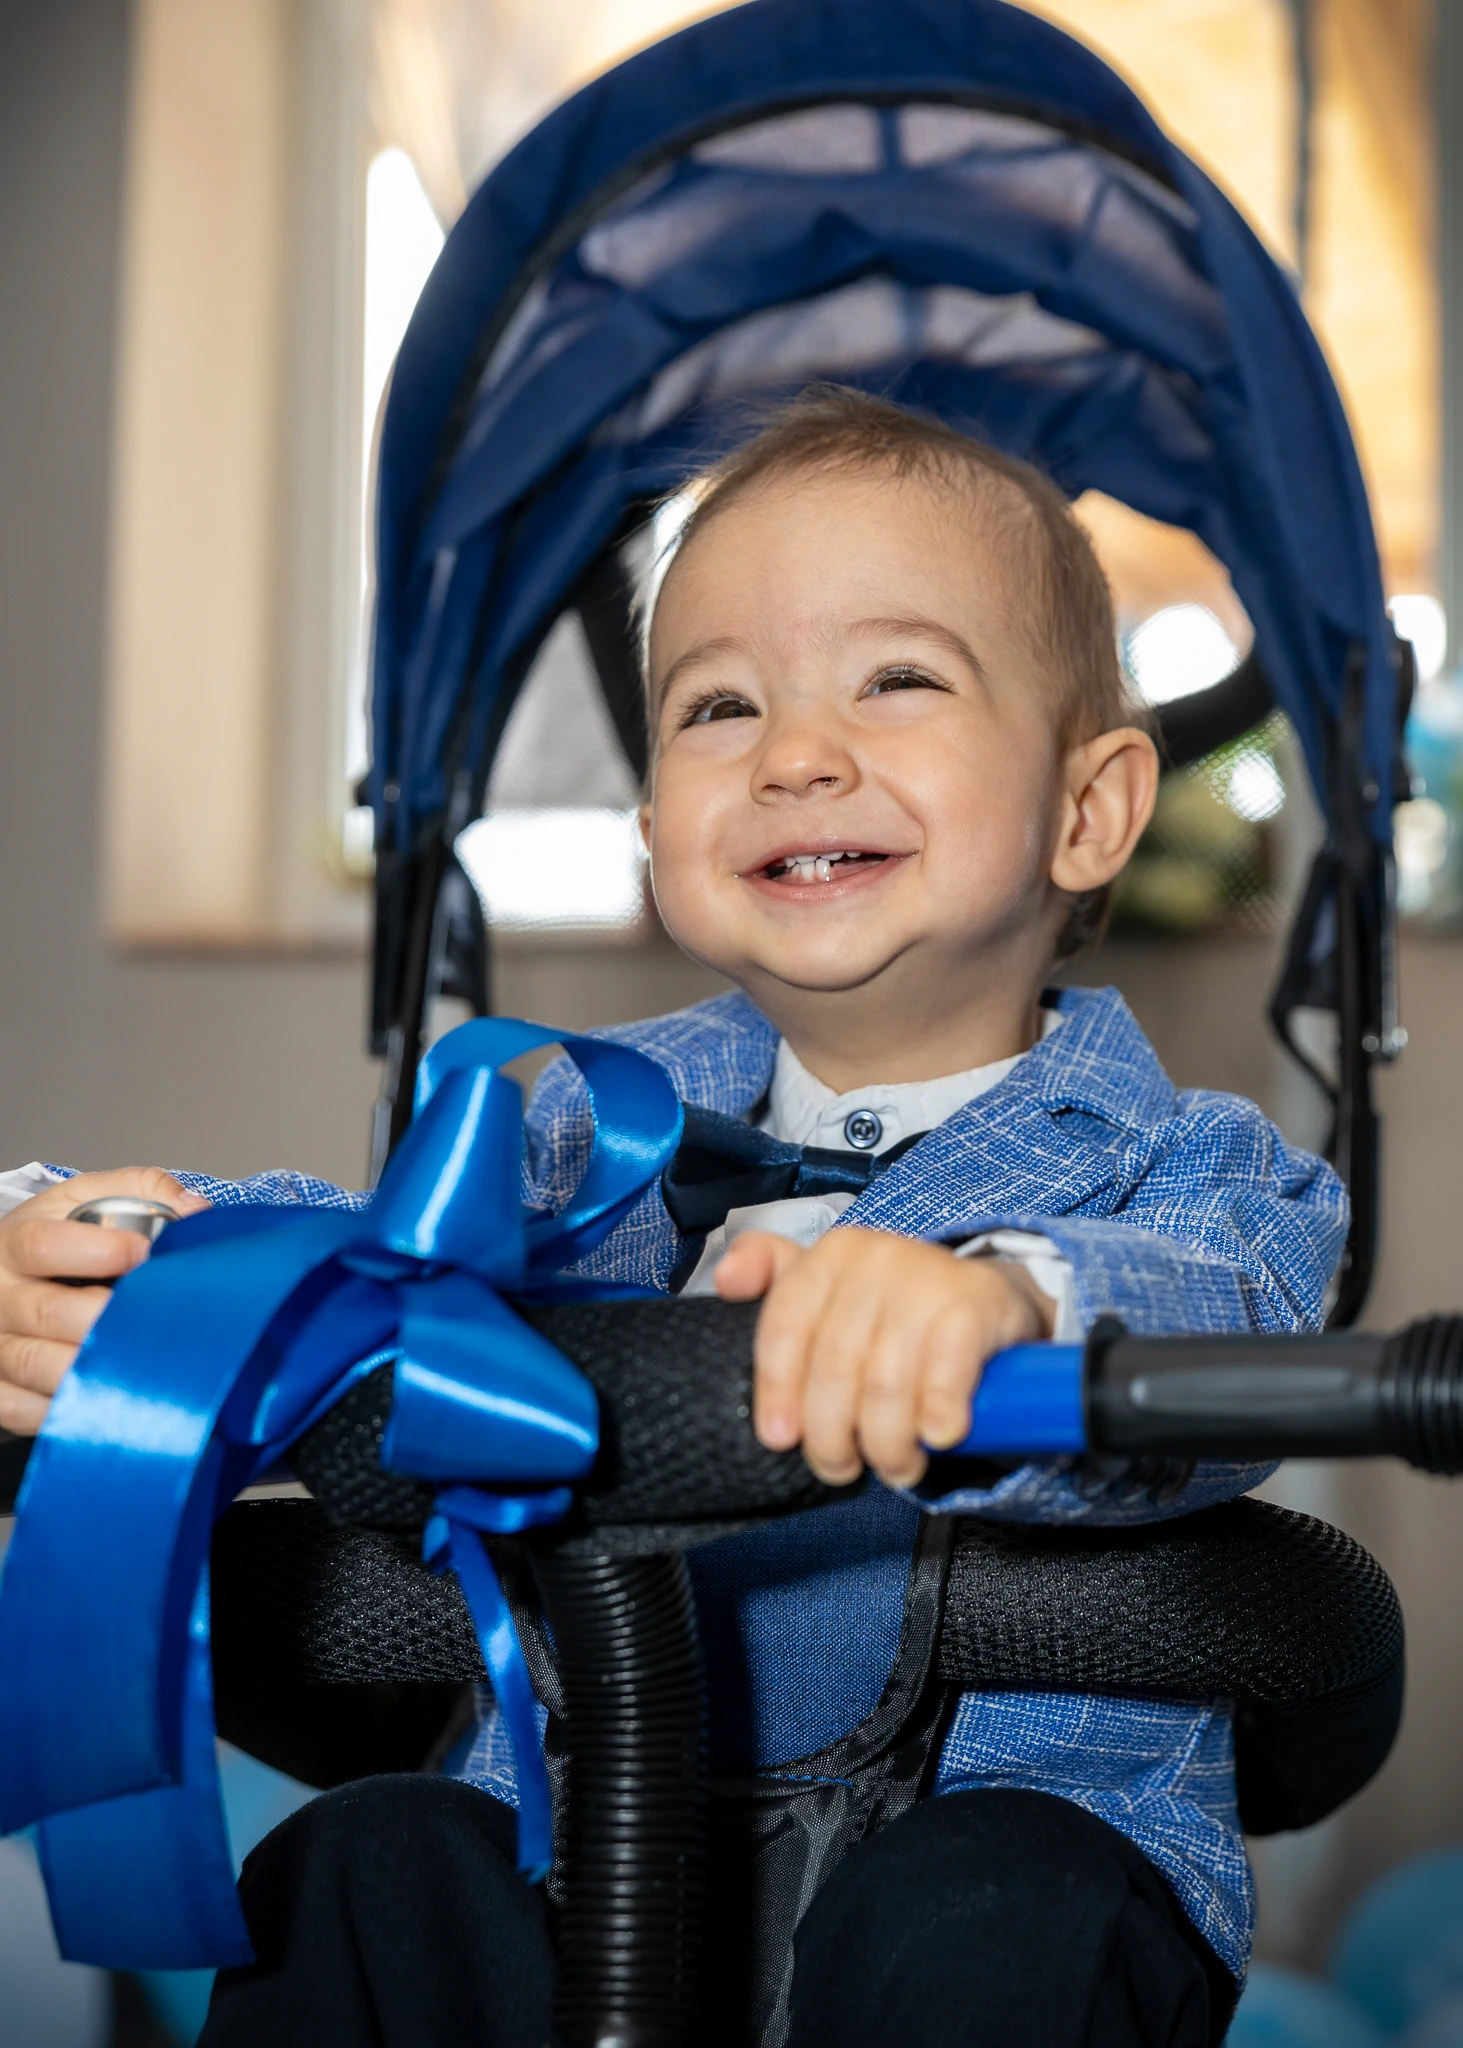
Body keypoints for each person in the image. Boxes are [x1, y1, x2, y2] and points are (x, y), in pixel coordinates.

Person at [0, 389, 1346, 2048]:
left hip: (997, 1845)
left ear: (1088, 809)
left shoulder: (1194, 1165)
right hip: (570, 1837)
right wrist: (110, 1245)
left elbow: (1227, 1304)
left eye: (897, 679)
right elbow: (372, 1250)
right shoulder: (573, 1130)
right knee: (362, 1863)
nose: (793, 754)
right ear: (656, 839)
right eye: (718, 706)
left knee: (999, 1915)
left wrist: (1013, 1306)